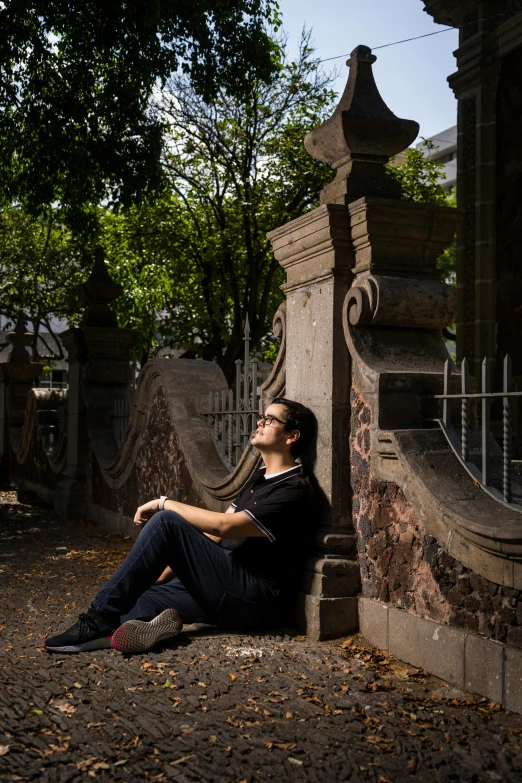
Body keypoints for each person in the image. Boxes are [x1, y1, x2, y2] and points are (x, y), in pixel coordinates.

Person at [44, 397, 316, 654]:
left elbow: (224, 526)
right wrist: (157, 577)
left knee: (166, 522)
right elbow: (213, 538)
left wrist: (165, 503)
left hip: (253, 599)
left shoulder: (293, 489)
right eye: (262, 417)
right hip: (226, 587)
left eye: (270, 420)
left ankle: (97, 619)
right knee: (143, 593)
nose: (259, 423)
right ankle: (136, 631)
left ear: (291, 436)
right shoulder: (260, 480)